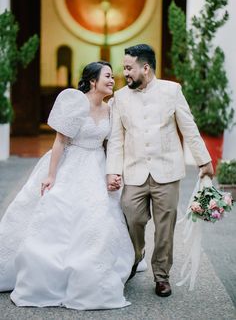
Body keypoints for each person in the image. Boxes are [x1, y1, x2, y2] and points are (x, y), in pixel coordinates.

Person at [0, 61, 135, 310]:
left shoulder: (110, 108)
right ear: (93, 81)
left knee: (97, 217)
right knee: (57, 213)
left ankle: (91, 271)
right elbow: (60, 142)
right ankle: (47, 274)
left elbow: (112, 143)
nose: (111, 80)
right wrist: (51, 175)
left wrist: (112, 172)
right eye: (107, 76)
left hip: (96, 164)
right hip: (69, 163)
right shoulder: (75, 102)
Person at [106, 44, 214, 297]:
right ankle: (136, 254)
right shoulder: (119, 98)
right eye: (124, 68)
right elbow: (116, 139)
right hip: (134, 172)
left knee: (166, 227)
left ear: (146, 67)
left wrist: (204, 160)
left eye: (129, 68)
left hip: (167, 171)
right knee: (131, 217)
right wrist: (113, 171)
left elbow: (189, 127)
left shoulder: (172, 90)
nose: (125, 73)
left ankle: (162, 276)